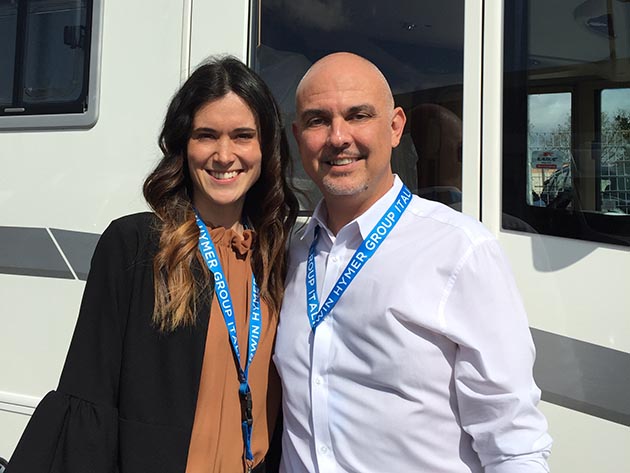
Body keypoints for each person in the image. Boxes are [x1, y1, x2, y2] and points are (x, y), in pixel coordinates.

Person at [7, 56, 298, 473]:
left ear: (265, 147)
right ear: (184, 145)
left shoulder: (276, 255)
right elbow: (90, 394)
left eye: (242, 136)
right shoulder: (136, 245)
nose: (224, 154)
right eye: (206, 135)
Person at [274, 52, 552, 472]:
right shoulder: (291, 252)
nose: (338, 137)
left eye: (358, 115)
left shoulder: (460, 250)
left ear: (395, 127)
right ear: (298, 136)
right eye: (318, 120)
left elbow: (514, 444)